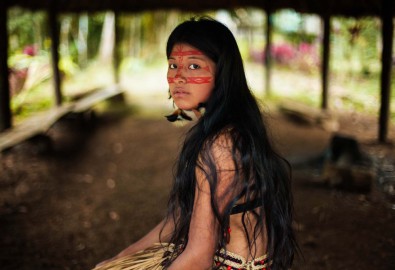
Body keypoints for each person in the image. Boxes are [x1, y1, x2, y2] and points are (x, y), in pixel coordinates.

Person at [93, 16, 297, 270]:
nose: (178, 77)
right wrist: (121, 258)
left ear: (221, 73)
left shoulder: (222, 145)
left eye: (193, 66)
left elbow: (199, 257)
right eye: (172, 65)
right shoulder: (223, 129)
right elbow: (179, 216)